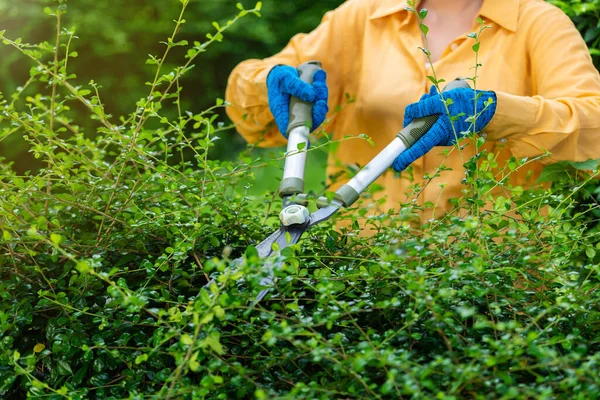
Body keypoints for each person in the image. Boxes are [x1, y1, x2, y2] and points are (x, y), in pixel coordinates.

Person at [225, 0, 600, 226]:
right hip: (359, 274)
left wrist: (496, 111)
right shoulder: (362, 17)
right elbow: (255, 110)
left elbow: (592, 126)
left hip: (496, 287)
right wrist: (269, 82)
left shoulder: (538, 21)